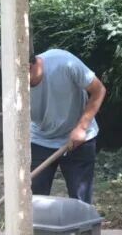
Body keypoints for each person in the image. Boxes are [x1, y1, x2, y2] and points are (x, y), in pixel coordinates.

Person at [28, 48, 106, 204]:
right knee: (34, 200)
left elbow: (99, 90)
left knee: (80, 200)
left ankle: (82, 220)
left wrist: (82, 127)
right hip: (40, 140)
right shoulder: (14, 85)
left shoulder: (63, 63)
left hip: (79, 138)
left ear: (29, 66)